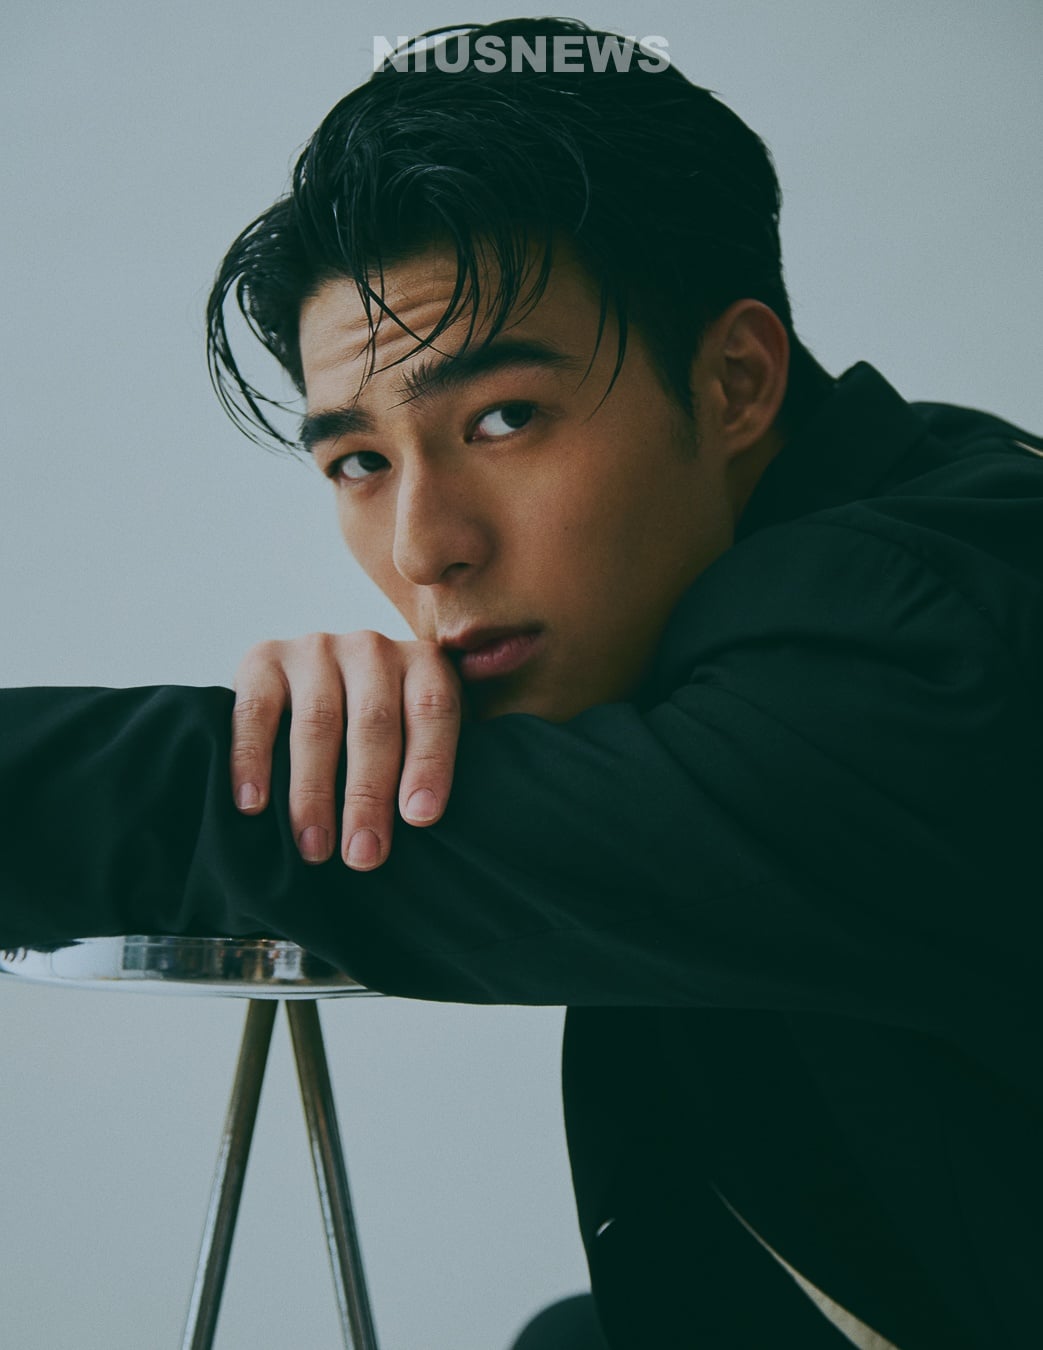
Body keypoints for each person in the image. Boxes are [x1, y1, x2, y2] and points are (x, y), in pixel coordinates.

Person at [2, 16, 1041, 1348]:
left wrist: (278, 756)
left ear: (735, 380)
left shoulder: (930, 653)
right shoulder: (912, 498)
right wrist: (330, 716)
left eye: (504, 419)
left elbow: (275, 828)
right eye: (360, 463)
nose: (424, 548)